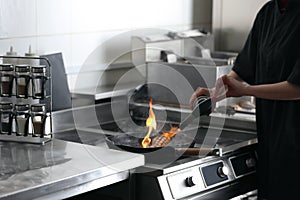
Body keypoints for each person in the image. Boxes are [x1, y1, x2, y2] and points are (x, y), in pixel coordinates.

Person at [190, 0, 300, 199]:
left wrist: (248, 90)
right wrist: (215, 93)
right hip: (271, 144)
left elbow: (297, 88)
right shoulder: (268, 12)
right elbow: (243, 70)